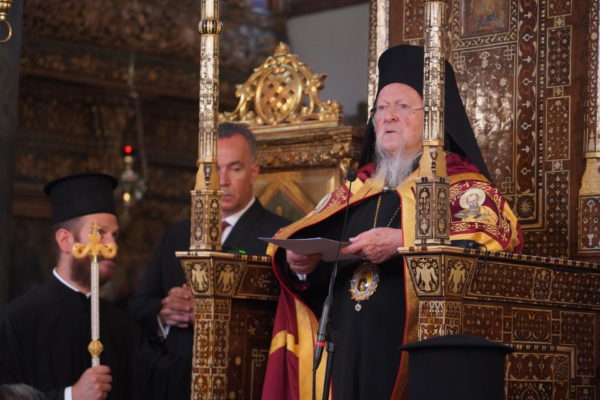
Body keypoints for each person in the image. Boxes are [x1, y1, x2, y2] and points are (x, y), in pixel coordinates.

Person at [261, 45, 523, 400]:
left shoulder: (464, 187)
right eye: (381, 108)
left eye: (402, 106)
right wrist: (302, 265)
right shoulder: (354, 189)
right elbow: (304, 253)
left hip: (415, 356)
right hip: (345, 356)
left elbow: (490, 242)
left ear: (434, 118)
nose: (388, 117)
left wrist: (403, 241)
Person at [128, 122, 290, 398]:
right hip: (173, 383)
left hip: (242, 382)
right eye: (213, 169)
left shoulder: (280, 235)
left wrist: (210, 311)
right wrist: (164, 312)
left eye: (234, 169)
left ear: (254, 172)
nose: (221, 181)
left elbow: (288, 319)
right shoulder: (177, 233)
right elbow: (137, 306)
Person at [0, 173, 144, 400]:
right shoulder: (17, 321)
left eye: (115, 235)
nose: (113, 246)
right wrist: (70, 396)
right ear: (65, 240)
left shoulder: (120, 324)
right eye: (99, 233)